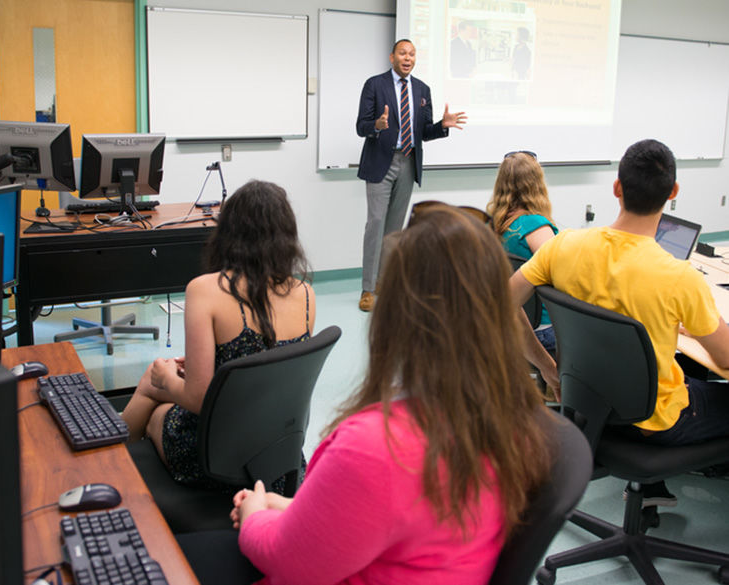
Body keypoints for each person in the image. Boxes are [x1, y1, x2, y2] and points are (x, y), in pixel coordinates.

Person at [178, 203, 554, 584]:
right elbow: (389, 519)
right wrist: (293, 508)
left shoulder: (376, 446)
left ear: (394, 316)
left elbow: (288, 562)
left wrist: (256, 514)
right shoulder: (515, 424)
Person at [512, 139, 729, 507]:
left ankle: (653, 490)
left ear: (616, 187)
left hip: (587, 407)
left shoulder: (561, 246)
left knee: (690, 369)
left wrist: (550, 372)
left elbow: (499, 305)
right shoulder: (679, 277)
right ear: (673, 192)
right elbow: (725, 360)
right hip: (657, 422)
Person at [122, 180, 315, 489]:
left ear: (228, 232)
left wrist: (164, 378)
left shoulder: (204, 290)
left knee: (151, 385)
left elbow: (199, 399)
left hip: (213, 456)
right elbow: (268, 364)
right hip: (278, 455)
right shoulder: (305, 294)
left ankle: (112, 472)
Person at [356, 38, 467, 312]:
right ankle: (368, 289)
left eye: (412, 54)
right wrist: (377, 125)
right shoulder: (374, 84)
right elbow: (361, 126)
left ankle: (385, 282)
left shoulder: (422, 89)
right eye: (403, 53)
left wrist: (442, 125)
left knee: (395, 229)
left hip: (408, 162)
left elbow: (423, 132)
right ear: (392, 56)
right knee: (376, 224)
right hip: (381, 161)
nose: (408, 58)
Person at [487, 150, 557, 352]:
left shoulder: (494, 226)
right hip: (543, 332)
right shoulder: (535, 225)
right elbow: (561, 273)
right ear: (537, 184)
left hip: (507, 327)